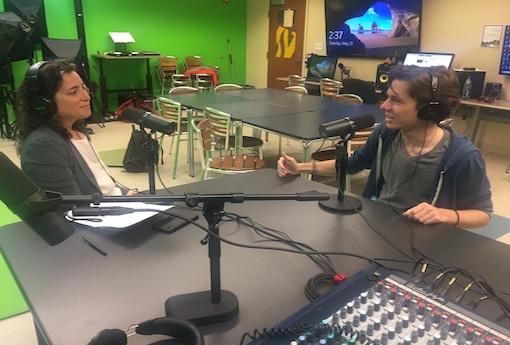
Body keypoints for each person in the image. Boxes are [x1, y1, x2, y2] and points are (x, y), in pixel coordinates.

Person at [277, 65, 492, 229]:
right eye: (387, 97)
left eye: (396, 101)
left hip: (423, 240)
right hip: (377, 225)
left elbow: (483, 214)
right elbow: (351, 164)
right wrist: (300, 168)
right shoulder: (385, 134)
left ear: (428, 110)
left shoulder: (463, 156)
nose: (384, 106)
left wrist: (446, 215)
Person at [15, 59, 137, 196]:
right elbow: (73, 207)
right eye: (73, 92)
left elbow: (104, 185)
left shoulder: (77, 132)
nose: (86, 96)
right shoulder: (43, 145)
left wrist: (127, 194)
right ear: (43, 103)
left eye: (84, 88)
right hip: (102, 214)